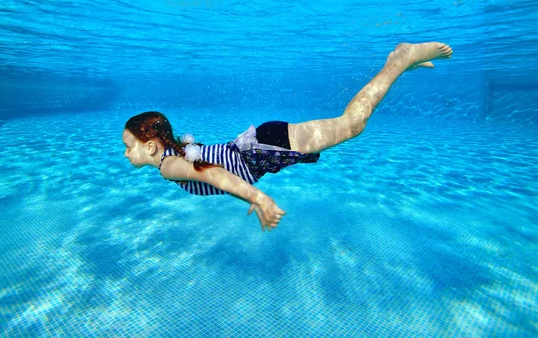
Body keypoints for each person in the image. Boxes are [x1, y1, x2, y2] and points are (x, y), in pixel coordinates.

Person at [122, 42, 453, 232]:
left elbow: (215, 173)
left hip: (265, 145)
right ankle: (400, 68)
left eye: (129, 146)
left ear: (150, 145)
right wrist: (250, 194)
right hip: (263, 145)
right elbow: (216, 170)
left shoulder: (168, 166)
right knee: (351, 126)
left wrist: (259, 199)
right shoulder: (175, 156)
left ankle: (400, 59)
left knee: (352, 124)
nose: (126, 154)